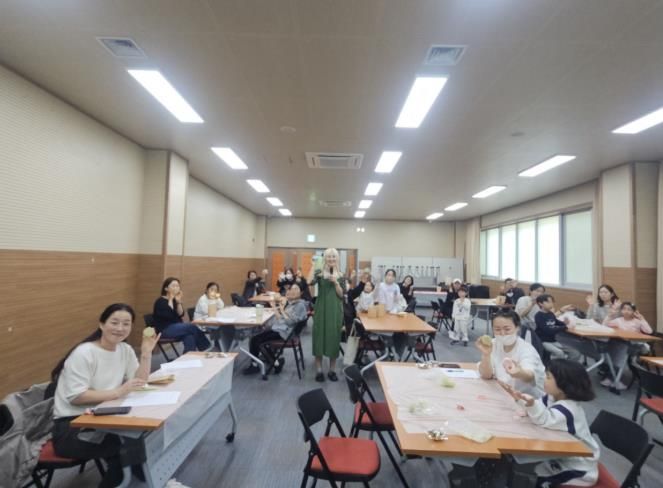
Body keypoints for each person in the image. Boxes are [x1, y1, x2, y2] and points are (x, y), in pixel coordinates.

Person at [51, 304, 161, 488]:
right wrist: (118, 392)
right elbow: (76, 396)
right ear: (102, 324)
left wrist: (146, 354)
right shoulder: (84, 353)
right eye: (114, 322)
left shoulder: (124, 349)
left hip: (103, 418)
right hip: (72, 427)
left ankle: (144, 479)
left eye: (126, 324)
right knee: (126, 448)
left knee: (137, 439)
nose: (120, 328)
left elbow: (140, 382)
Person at [503, 359, 599, 487]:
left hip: (579, 468)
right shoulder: (552, 397)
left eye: (548, 377)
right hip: (562, 457)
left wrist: (530, 405)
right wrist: (521, 400)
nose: (544, 379)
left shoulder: (569, 409)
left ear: (563, 386)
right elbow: (539, 408)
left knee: (539, 482)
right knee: (525, 468)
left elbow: (543, 419)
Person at [476, 310, 545, 398]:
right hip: (503, 393)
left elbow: (530, 376)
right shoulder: (493, 344)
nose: (502, 333)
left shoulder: (526, 349)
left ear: (517, 327)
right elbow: (486, 375)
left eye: (507, 329)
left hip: (526, 399)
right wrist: (486, 355)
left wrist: (519, 372)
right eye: (497, 329)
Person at [244, 284, 308, 375]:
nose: (292, 291)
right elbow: (281, 318)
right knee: (257, 336)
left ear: (301, 292)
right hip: (281, 329)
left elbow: (289, 322)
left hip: (285, 333)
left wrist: (282, 310)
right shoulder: (292, 304)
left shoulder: (300, 305)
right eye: (291, 289)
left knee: (255, 340)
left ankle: (257, 366)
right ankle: (275, 363)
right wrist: (274, 307)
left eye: (296, 289)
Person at [308, 248, 346, 382]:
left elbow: (341, 295)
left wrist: (336, 282)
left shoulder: (341, 275)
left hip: (335, 310)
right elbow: (309, 282)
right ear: (325, 258)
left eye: (333, 257)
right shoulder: (319, 273)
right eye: (329, 256)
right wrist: (313, 266)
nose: (331, 259)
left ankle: (332, 370)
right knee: (319, 337)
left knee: (333, 338)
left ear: (337, 259)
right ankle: (319, 370)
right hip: (320, 308)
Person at [601, 302, 653, 390]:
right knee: (614, 348)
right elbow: (604, 326)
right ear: (621, 310)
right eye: (624, 309)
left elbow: (649, 331)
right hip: (623, 344)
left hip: (636, 345)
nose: (626, 311)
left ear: (634, 312)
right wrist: (609, 316)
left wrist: (642, 319)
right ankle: (612, 377)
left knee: (620, 351)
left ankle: (612, 378)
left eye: (629, 309)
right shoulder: (619, 320)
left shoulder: (637, 321)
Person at [153, 277, 210, 352]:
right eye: (173, 286)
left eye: (177, 286)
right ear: (166, 289)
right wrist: (170, 299)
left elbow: (181, 314)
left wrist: (178, 301)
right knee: (191, 326)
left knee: (189, 336)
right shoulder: (160, 301)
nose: (176, 288)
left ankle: (187, 357)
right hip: (165, 330)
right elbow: (169, 315)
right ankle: (206, 348)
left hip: (177, 328)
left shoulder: (175, 300)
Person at [534, 294, 582, 361]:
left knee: (575, 353)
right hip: (543, 341)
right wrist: (565, 327)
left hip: (553, 341)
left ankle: (566, 366)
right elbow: (548, 330)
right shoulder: (538, 316)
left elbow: (556, 322)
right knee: (559, 353)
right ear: (540, 303)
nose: (551, 304)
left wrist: (565, 323)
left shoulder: (550, 314)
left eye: (552, 302)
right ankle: (553, 366)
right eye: (548, 302)